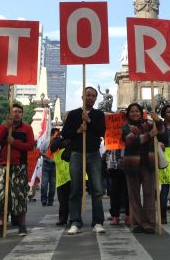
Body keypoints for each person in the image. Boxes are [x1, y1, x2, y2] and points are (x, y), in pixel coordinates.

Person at [61, 86, 106, 235]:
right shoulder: (73, 114)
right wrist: (78, 131)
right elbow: (64, 133)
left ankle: (98, 221)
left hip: (93, 154)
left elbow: (101, 131)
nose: (91, 98)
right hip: (77, 154)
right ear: (82, 97)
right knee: (75, 189)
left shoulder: (99, 114)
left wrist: (90, 121)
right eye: (88, 95)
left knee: (97, 189)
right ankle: (75, 221)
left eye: (93, 96)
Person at [0, 103, 35, 237]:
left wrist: (14, 142)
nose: (16, 114)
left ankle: (22, 226)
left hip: (19, 166)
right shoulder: (3, 127)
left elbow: (30, 146)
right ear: (9, 113)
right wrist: (5, 128)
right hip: (3, 166)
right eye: (14, 111)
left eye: (19, 112)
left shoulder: (27, 128)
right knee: (2, 196)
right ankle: (1, 225)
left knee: (19, 196)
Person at [122, 102, 164, 234]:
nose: (134, 113)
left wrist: (158, 120)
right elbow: (131, 140)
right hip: (132, 164)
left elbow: (161, 131)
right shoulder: (125, 127)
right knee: (133, 194)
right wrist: (149, 135)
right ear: (128, 114)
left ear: (141, 113)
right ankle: (137, 223)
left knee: (149, 193)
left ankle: (149, 223)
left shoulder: (150, 124)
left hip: (148, 163)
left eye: (137, 111)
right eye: (132, 111)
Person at [50, 129, 71, 226]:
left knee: (73, 198)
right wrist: (61, 137)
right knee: (62, 198)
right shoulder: (58, 138)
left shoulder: (74, 136)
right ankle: (62, 218)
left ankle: (74, 218)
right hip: (61, 174)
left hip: (72, 173)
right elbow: (53, 147)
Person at [40, 128, 59, 206]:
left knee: (53, 184)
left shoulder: (58, 142)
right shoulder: (46, 141)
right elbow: (40, 151)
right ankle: (44, 200)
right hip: (46, 164)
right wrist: (46, 156)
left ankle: (50, 200)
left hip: (54, 165)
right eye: (56, 134)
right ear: (52, 134)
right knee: (44, 184)